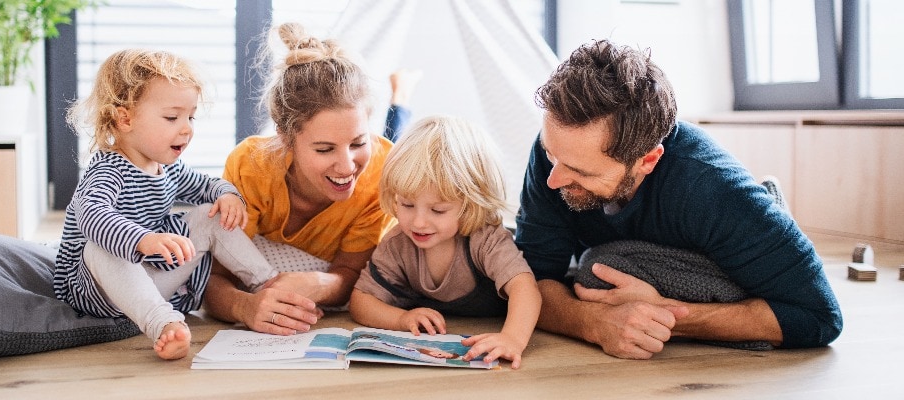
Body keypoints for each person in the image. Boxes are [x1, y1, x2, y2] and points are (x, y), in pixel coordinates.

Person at [515, 40, 842, 359]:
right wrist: (591, 323)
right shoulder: (559, 153)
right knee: (594, 273)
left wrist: (667, 316)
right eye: (550, 153)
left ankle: (771, 211)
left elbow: (819, 317)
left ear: (647, 160)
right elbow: (528, 281)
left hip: (721, 233)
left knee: (597, 270)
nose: (553, 179)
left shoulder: (713, 190)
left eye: (579, 171)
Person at [53, 49, 278, 360]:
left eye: (191, 116)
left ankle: (268, 282)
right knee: (98, 246)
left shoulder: (168, 169)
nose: (186, 128)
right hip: (99, 290)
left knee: (207, 214)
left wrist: (228, 195)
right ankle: (163, 323)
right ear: (125, 118)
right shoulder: (108, 171)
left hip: (152, 280)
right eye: (172, 117)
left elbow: (207, 185)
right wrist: (142, 240)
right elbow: (90, 216)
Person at [202, 22, 395, 336]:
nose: (347, 166)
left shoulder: (381, 171)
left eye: (359, 143)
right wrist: (245, 307)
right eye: (324, 149)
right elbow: (213, 278)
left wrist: (321, 283)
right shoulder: (252, 167)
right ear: (286, 138)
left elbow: (352, 273)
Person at [350, 116, 541, 369]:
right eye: (407, 204)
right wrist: (402, 319)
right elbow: (361, 300)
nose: (418, 222)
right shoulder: (398, 242)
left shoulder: (485, 238)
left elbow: (526, 289)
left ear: (470, 205)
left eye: (437, 210)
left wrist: (512, 338)